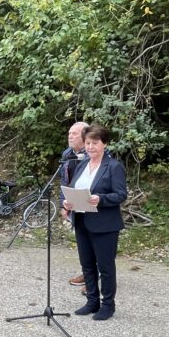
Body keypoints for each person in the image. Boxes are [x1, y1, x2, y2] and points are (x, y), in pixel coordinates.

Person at [62, 124, 127, 321]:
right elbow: (72, 188)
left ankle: (108, 305)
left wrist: (101, 199)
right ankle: (92, 301)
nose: (90, 147)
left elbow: (121, 195)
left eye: (95, 143)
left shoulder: (114, 166)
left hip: (105, 225)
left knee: (105, 268)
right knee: (87, 265)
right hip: (82, 220)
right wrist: (67, 202)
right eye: (88, 143)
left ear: (104, 144)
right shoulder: (82, 165)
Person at [58, 121, 90, 288]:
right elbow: (64, 180)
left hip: (92, 203)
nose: (70, 136)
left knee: (94, 241)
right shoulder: (67, 154)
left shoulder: (94, 154)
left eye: (74, 133)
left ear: (85, 136)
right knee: (82, 241)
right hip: (74, 204)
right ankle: (87, 273)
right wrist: (62, 204)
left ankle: (95, 277)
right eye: (69, 133)